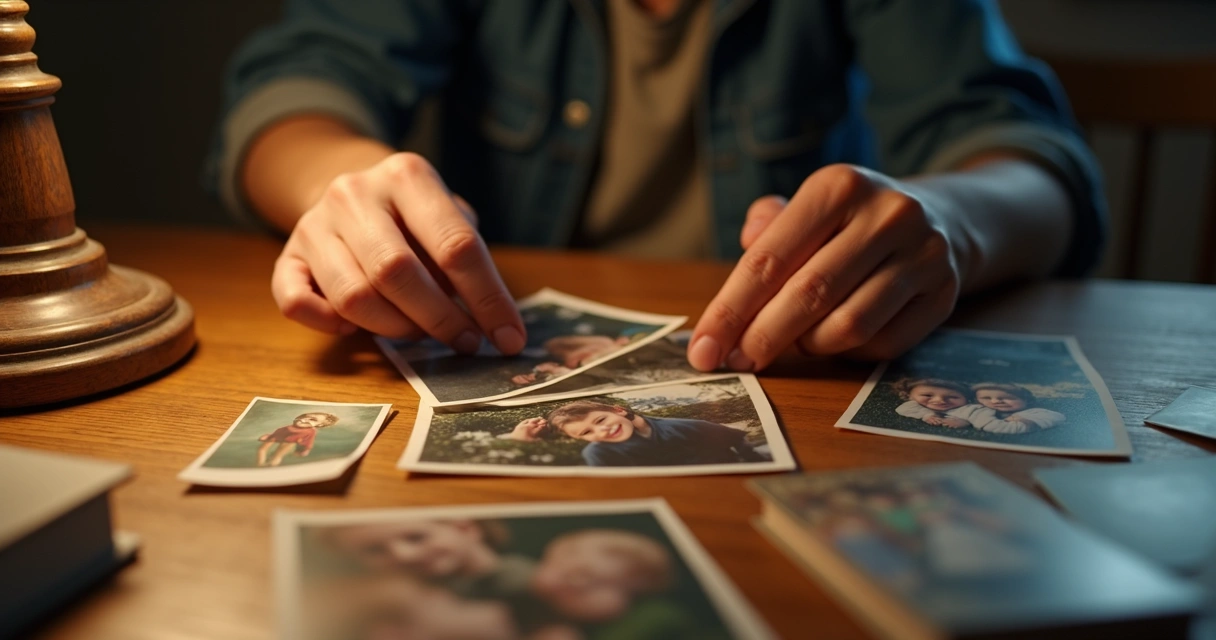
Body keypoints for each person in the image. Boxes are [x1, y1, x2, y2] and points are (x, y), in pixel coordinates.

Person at [209, 0, 1105, 372]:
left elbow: (1029, 159)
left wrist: (951, 221)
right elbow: (294, 89)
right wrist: (341, 185)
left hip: (806, 384)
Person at [321, 519, 538, 602]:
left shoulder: (530, 582)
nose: (405, 555)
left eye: (416, 537)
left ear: (465, 527)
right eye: (374, 550)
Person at [542, 399, 768, 466]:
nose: (601, 430)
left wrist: (752, 460)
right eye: (586, 433)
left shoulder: (683, 426)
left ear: (619, 411)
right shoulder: (599, 454)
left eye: (601, 420)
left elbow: (736, 439)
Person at [969, 382, 1066, 434]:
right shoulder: (976, 410)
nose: (995, 401)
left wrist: (1026, 421)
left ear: (1026, 400)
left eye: (1007, 398)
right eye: (986, 398)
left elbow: (1058, 417)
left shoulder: (1036, 412)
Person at [256, 411, 338, 466]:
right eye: (306, 416)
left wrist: (306, 449)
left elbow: (309, 441)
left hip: (290, 441)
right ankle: (259, 465)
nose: (304, 419)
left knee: (277, 455)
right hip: (280, 435)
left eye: (313, 419)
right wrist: (270, 436)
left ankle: (270, 468)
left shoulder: (310, 431)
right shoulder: (292, 426)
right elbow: (281, 431)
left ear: (319, 425)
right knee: (262, 449)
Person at [892, 378, 976, 429]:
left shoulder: (968, 408)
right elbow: (903, 409)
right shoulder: (913, 405)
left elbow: (978, 417)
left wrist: (966, 422)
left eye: (952, 397)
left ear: (967, 399)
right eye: (927, 395)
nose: (940, 401)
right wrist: (928, 415)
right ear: (908, 395)